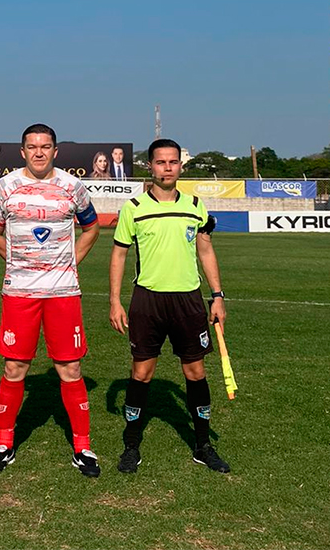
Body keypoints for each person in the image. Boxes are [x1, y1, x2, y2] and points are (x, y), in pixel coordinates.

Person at [0, 123, 102, 477]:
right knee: (14, 367)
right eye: (32, 147)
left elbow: (92, 227)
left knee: (70, 369)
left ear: (55, 151)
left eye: (45, 146)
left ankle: (83, 446)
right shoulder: (4, 188)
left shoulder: (72, 187)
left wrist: (69, 262)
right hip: (19, 292)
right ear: (22, 151)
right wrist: (17, 261)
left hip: (63, 292)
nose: (39, 152)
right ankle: (4, 442)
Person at [110, 138, 230, 474]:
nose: (167, 168)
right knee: (141, 372)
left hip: (188, 300)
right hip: (148, 299)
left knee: (195, 372)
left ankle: (203, 445)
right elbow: (119, 254)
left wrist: (218, 296)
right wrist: (115, 300)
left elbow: (205, 250)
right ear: (150, 166)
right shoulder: (134, 207)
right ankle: (131, 445)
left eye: (173, 162)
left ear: (180, 165)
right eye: (160, 162)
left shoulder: (195, 205)